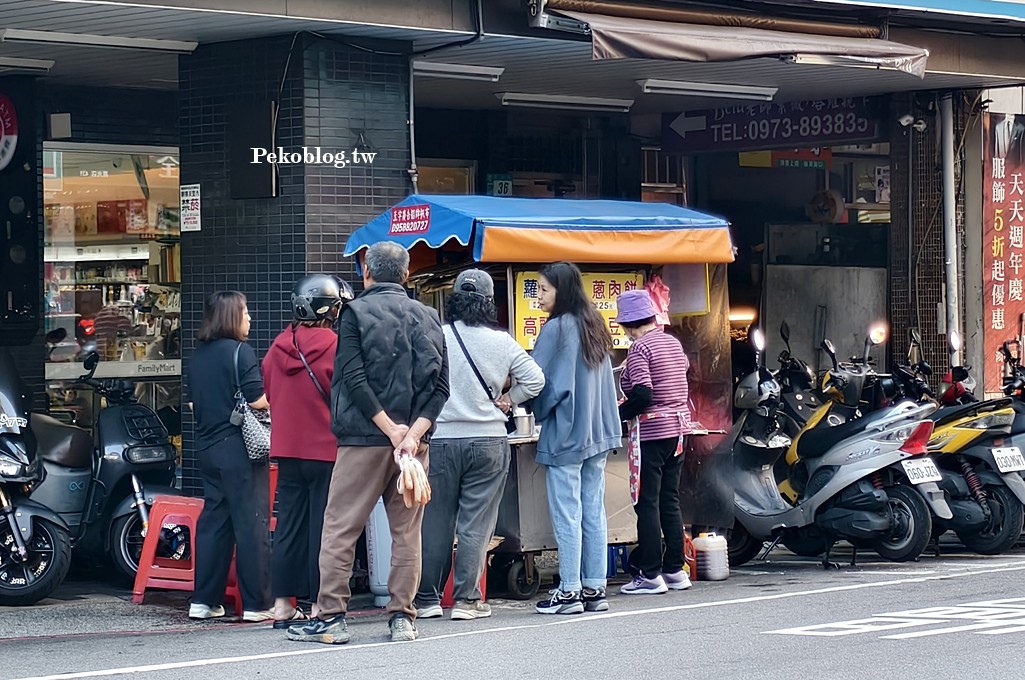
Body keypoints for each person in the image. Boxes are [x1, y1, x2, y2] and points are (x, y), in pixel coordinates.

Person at [286, 241, 449, 645]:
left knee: (341, 527)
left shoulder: (353, 313)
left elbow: (354, 379)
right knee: (407, 533)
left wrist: (389, 429)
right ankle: (402, 618)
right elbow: (441, 388)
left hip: (363, 440)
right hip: (414, 447)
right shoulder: (429, 317)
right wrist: (410, 434)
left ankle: (332, 620)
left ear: (366, 273)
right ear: (407, 275)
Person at [415, 269, 545, 621]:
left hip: (440, 439)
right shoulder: (501, 342)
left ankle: (426, 599)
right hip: (488, 440)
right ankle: (467, 601)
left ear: (455, 300)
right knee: (476, 523)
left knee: (436, 521)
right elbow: (535, 379)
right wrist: (509, 398)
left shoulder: (438, 336)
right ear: (489, 303)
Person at [529, 262, 622, 615]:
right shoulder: (593, 322)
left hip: (567, 433)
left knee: (567, 512)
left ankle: (569, 591)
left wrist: (520, 403)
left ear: (561, 292)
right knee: (593, 510)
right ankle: (594, 588)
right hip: (597, 432)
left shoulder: (557, 328)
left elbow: (542, 382)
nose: (539, 297)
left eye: (544, 290)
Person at [263, 274, 354, 629]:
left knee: (288, 527)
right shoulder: (335, 345)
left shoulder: (279, 345)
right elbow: (344, 394)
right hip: (327, 450)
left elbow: (268, 391)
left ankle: (284, 604)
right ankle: (319, 603)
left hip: (287, 450)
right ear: (329, 309)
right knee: (324, 528)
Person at [186, 291, 273, 622]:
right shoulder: (241, 352)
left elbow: (194, 403)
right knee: (251, 524)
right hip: (239, 448)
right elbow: (257, 400)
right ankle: (257, 604)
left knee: (214, 523)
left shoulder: (197, 357)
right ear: (231, 317)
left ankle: (203, 601)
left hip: (207, 448)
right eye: (245, 312)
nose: (250, 318)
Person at [615, 289, 694, 595]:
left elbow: (643, 394)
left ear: (628, 325)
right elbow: (680, 375)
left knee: (646, 502)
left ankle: (650, 574)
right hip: (678, 431)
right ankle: (675, 570)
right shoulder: (672, 342)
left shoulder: (639, 350)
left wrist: (618, 414)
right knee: (670, 500)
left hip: (652, 432)